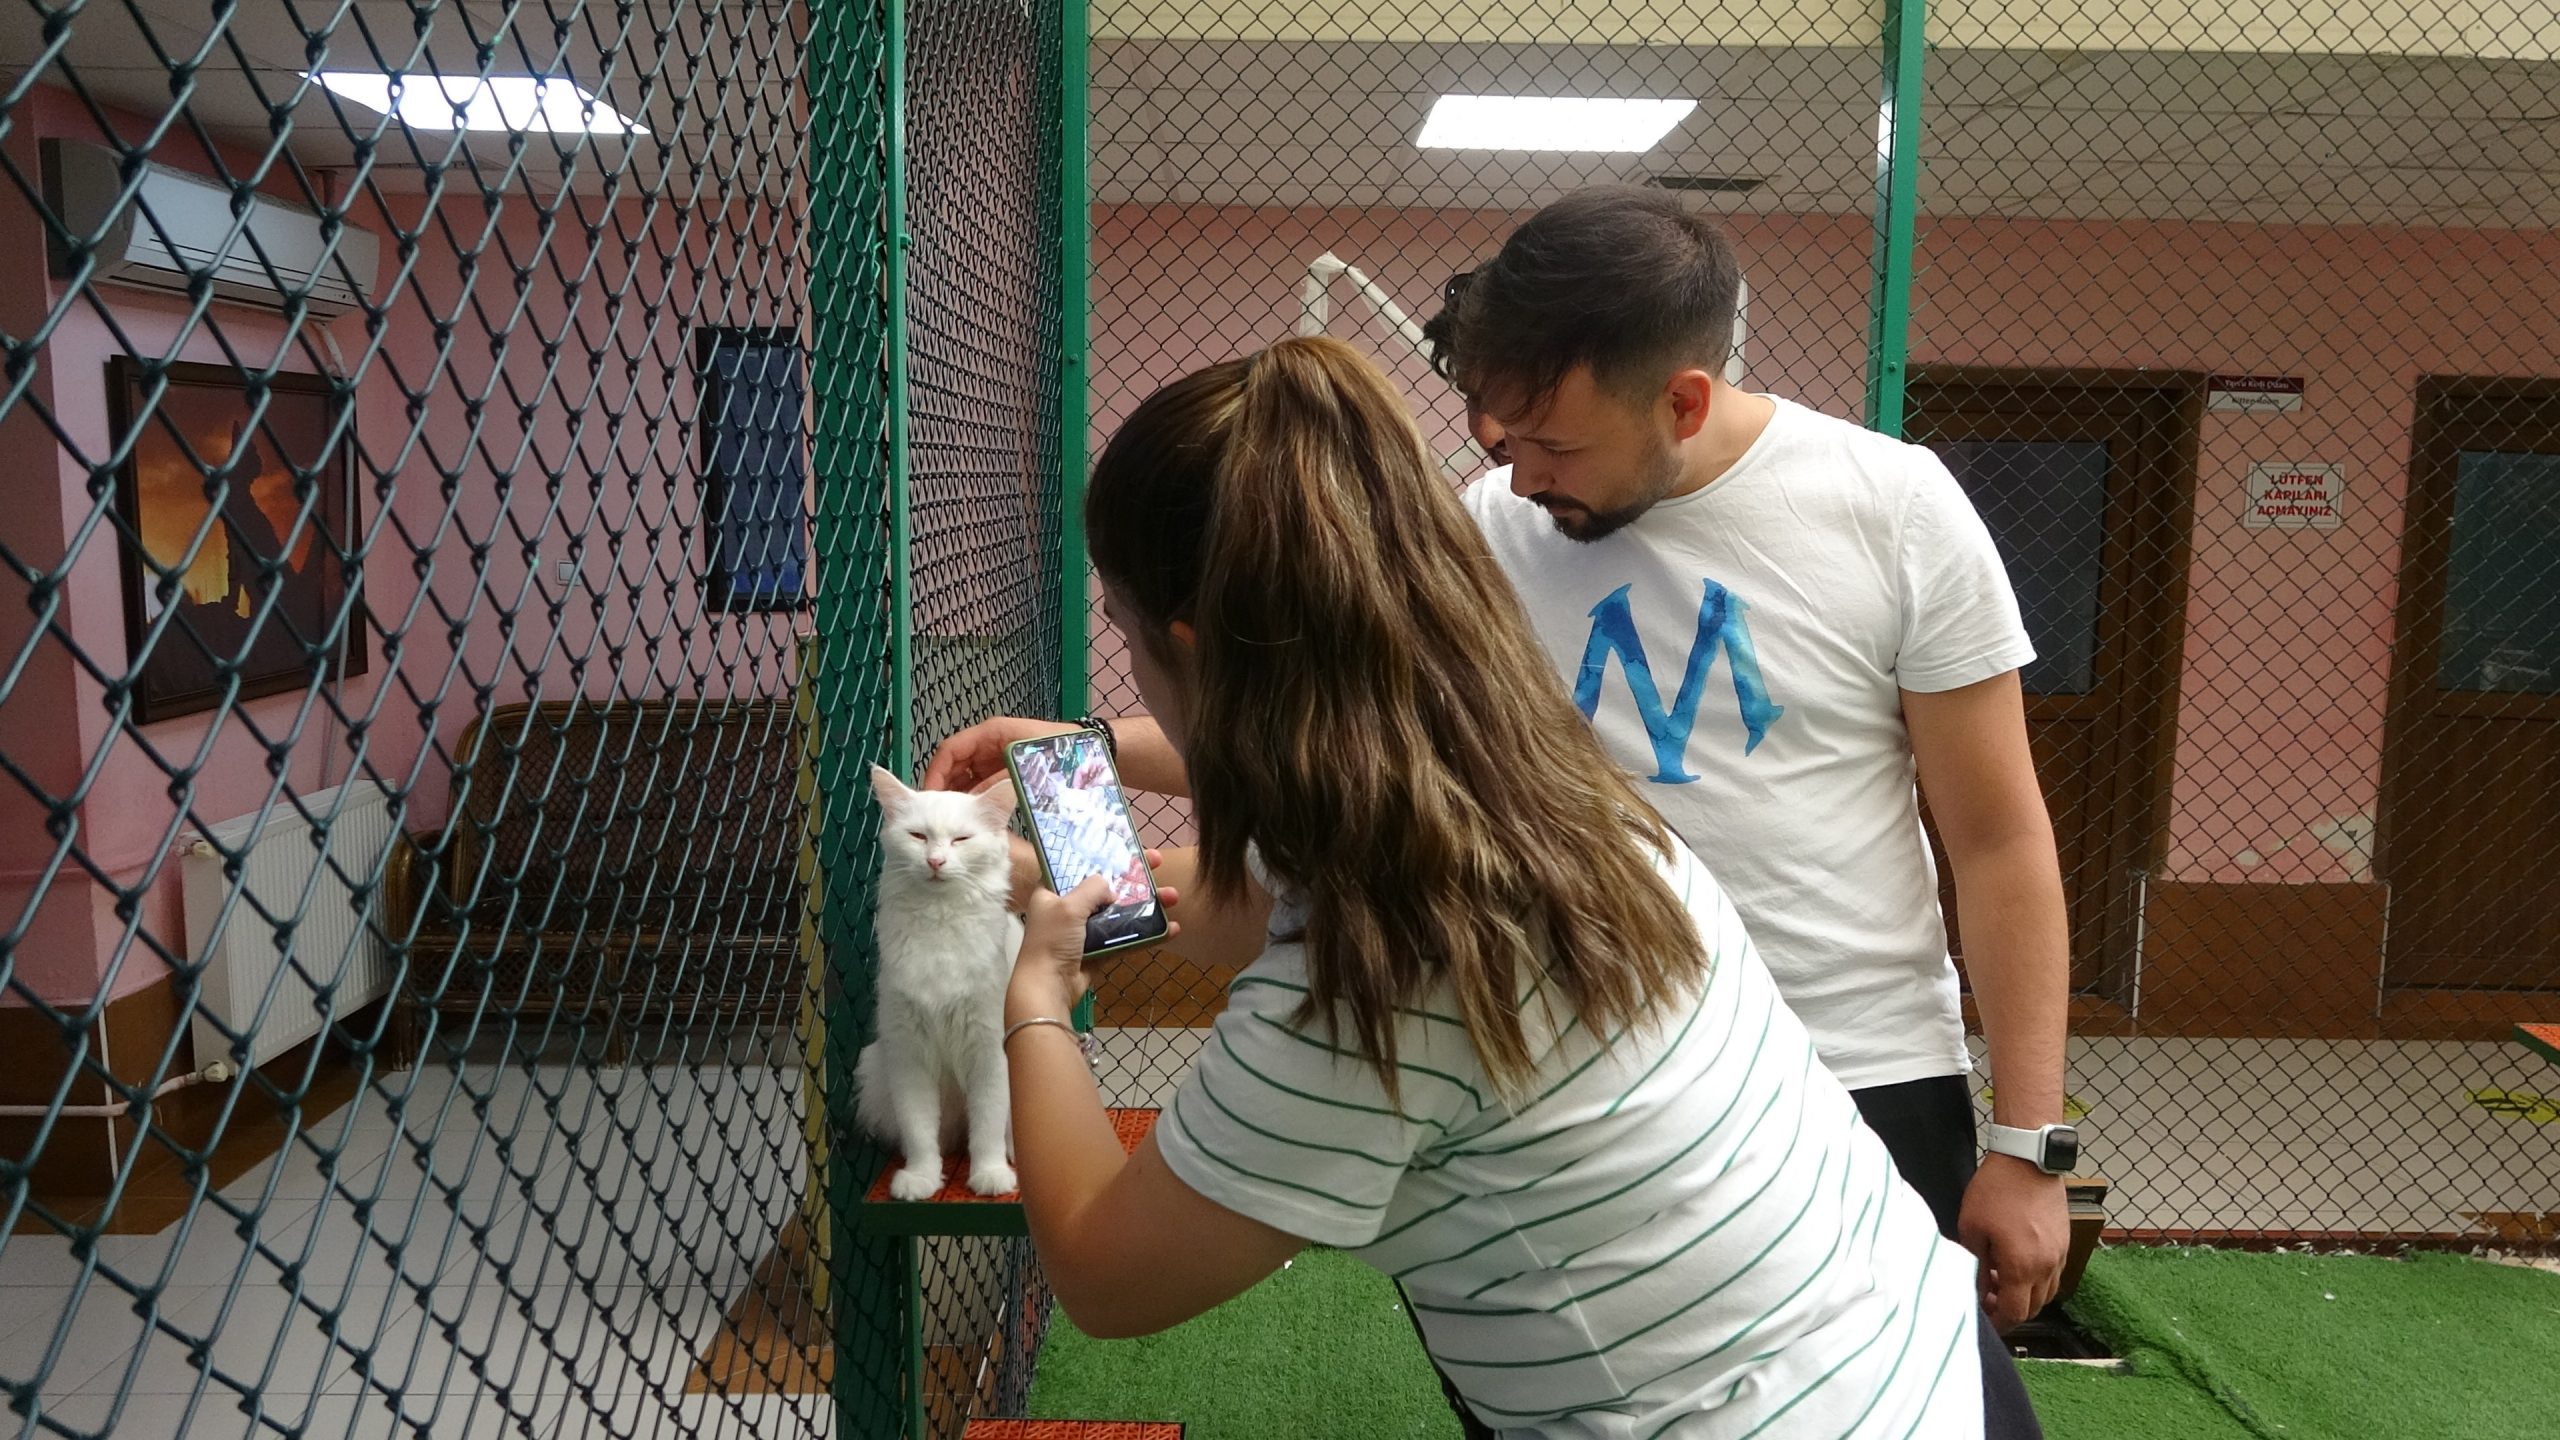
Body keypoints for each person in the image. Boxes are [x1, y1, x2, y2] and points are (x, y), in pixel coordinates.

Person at [934, 185, 2076, 1335]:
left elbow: (1997, 839)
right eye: (1501, 439)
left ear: (1683, 401)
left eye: (1555, 443)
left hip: (1855, 1062)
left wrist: (2029, 1143)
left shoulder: (1892, 506)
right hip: (1579, 1044)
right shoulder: (1496, 521)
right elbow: (1345, 725)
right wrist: (1094, 754)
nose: (1522, 477)